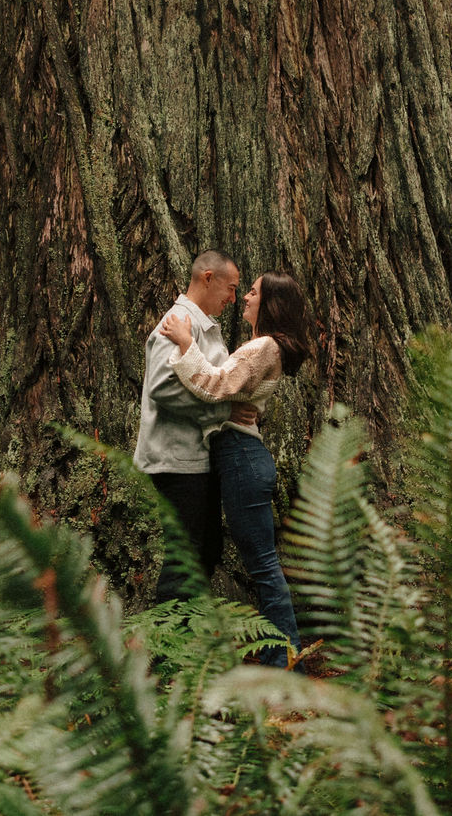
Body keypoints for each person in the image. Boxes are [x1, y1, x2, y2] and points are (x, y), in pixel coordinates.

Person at [157, 270, 311, 668]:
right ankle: (284, 655)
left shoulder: (264, 347)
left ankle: (286, 659)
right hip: (240, 458)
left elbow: (215, 385)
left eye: (254, 292)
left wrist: (186, 342)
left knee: (262, 564)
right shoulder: (265, 347)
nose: (245, 297)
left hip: (242, 457)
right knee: (261, 563)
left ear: (271, 303)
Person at [135, 248, 240, 602]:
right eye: (231, 288)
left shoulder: (203, 325)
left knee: (206, 551)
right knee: (186, 557)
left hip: (196, 461)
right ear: (208, 278)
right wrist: (218, 413)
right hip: (176, 461)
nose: (233, 298)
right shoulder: (179, 321)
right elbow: (162, 386)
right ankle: (166, 649)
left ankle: (184, 639)